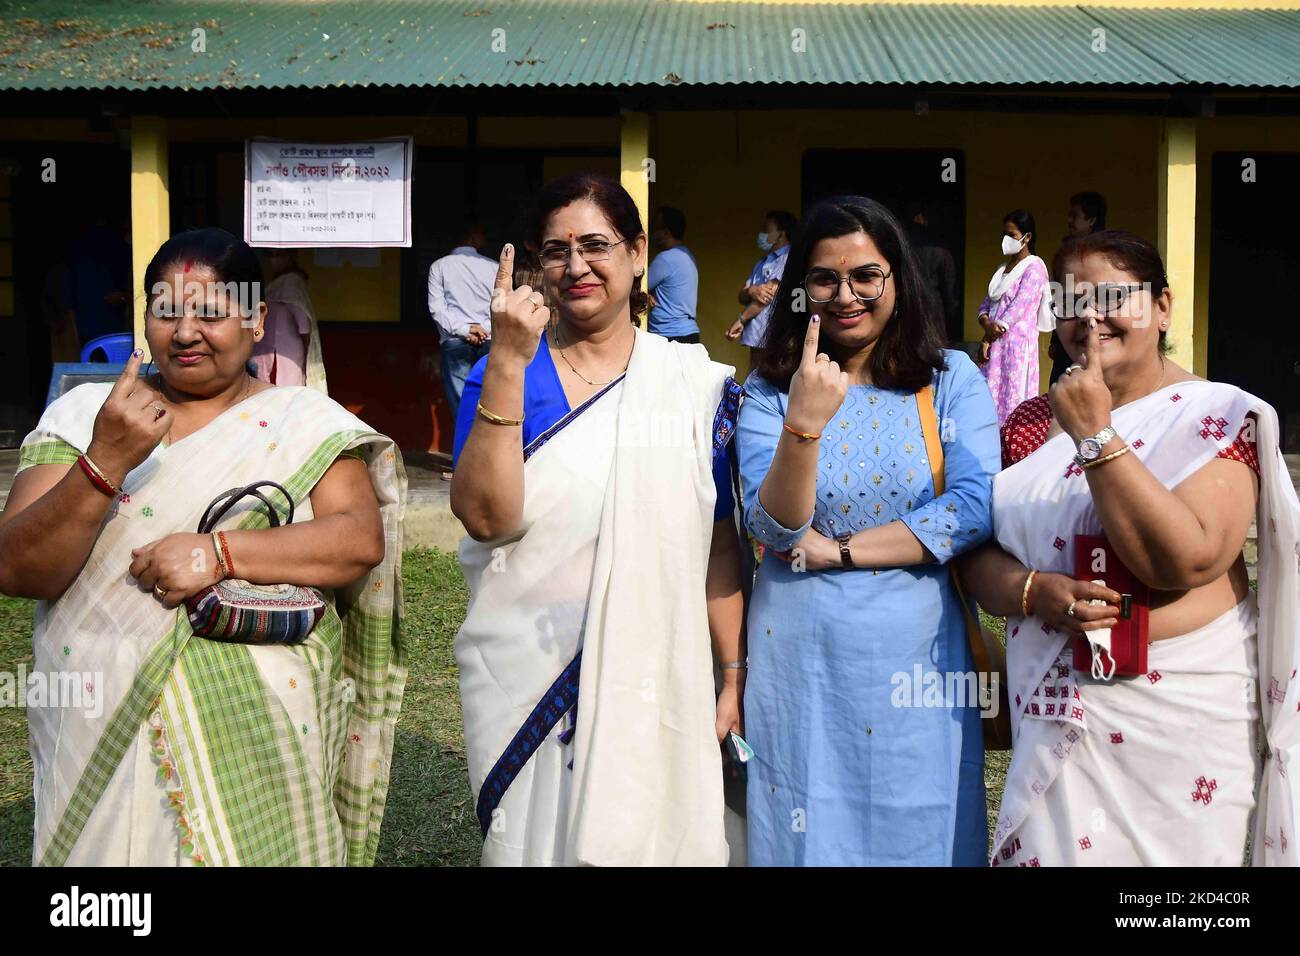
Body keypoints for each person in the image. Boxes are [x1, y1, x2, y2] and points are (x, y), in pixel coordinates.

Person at [0, 227, 406, 866]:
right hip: (97, 712)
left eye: (212, 312)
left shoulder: (305, 420)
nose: (185, 332)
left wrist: (217, 554)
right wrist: (105, 461)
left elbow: (356, 539)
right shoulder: (86, 416)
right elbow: (19, 567)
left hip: (261, 732)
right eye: (165, 310)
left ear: (256, 320)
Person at [958, 229, 1300, 866]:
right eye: (1068, 301)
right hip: (1059, 711)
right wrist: (1035, 592)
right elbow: (977, 551)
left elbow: (1186, 559)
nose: (1089, 315)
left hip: (1179, 729)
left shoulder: (1217, 415)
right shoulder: (1031, 423)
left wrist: (1096, 434)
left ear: (1163, 306)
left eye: (1115, 295)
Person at [451, 173, 745, 867]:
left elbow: (719, 547)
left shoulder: (691, 386)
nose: (575, 266)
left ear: (637, 252)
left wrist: (732, 675)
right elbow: (487, 520)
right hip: (525, 675)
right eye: (555, 251)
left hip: (656, 668)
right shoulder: (505, 371)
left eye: (595, 245)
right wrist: (509, 359)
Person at [735, 195, 1000, 866]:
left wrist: (844, 550)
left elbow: (973, 506)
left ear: (896, 280)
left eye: (866, 276)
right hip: (800, 654)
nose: (845, 295)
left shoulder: (949, 378)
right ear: (801, 290)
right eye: (824, 279)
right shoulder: (770, 389)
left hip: (921, 655)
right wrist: (805, 422)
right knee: (804, 821)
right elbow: (771, 523)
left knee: (923, 820)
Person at [977, 210, 1053, 425]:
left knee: (1013, 399)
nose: (1006, 240)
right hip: (995, 346)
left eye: (1011, 235)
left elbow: (1018, 308)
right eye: (1004, 234)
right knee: (990, 399)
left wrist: (987, 338)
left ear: (1027, 237)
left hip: (1016, 348)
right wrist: (985, 323)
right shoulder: (1002, 269)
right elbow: (985, 305)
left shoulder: (1034, 267)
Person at [428, 221, 497, 420]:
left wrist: (466, 330)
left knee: (461, 406)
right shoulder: (493, 267)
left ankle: (465, 449)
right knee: (490, 402)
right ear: (473, 236)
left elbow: (437, 309)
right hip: (488, 339)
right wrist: (482, 329)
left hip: (455, 341)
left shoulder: (439, 266)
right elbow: (499, 306)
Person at [1049, 191, 1109, 384]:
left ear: (1091, 219)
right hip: (1068, 337)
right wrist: (1055, 339)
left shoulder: (1106, 254)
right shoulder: (1067, 252)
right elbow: (1062, 300)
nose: (1069, 220)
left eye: (1075, 215)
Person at [251, 249, 328, 392]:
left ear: (291, 257)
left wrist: (307, 356)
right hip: (265, 349)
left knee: (286, 391)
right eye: (271, 256)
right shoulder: (275, 282)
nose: (274, 261)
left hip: (285, 352)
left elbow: (303, 324)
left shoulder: (292, 282)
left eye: (279, 256)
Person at [729, 211, 796, 369]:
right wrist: (752, 290)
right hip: (757, 336)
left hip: (775, 338)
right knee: (756, 382)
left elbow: (767, 296)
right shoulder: (762, 262)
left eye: (766, 230)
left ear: (781, 235)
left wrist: (741, 319)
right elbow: (742, 296)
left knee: (772, 384)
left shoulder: (787, 258)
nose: (762, 234)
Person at [905, 200, 960, 340]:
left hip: (904, 311)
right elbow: (951, 296)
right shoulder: (941, 249)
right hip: (933, 315)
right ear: (921, 218)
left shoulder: (899, 247)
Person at [646, 206, 701, 343]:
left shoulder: (665, 258)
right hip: (688, 332)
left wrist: (644, 294)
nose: (651, 233)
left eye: (654, 228)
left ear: (666, 232)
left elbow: (635, 287)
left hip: (669, 335)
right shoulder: (686, 255)